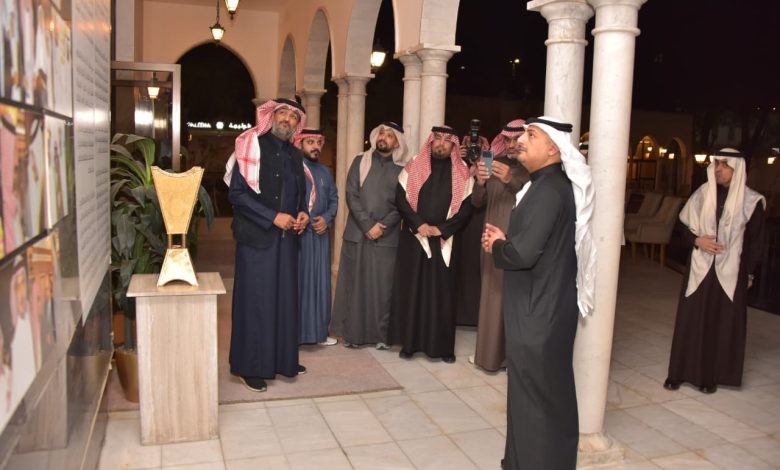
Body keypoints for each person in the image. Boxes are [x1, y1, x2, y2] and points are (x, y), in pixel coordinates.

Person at [482, 116, 595, 470]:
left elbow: (522, 254)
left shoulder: (548, 190)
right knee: (540, 398)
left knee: (536, 402)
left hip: (538, 313)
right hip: (544, 306)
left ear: (553, 149)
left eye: (531, 135)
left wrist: (498, 244)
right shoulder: (547, 184)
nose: (521, 141)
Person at [223, 98, 310, 393]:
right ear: (271, 116)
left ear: (298, 124)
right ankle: (250, 366)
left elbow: (299, 194)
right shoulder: (252, 145)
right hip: (257, 238)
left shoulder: (295, 154)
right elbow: (237, 195)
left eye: (293, 116)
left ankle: (283, 359)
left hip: (287, 240)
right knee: (256, 302)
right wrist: (273, 217)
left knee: (284, 300)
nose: (287, 119)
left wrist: (302, 213)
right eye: (282, 113)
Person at [664, 148, 765, 394]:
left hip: (731, 271)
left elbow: (756, 242)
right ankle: (678, 373)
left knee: (719, 322)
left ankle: (712, 377)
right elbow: (683, 226)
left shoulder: (751, 201)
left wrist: (750, 273)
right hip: (700, 267)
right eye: (716, 164)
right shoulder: (703, 193)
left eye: (724, 165)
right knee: (691, 319)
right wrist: (698, 241)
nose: (718, 169)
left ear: (737, 168)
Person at [389, 126, 474, 363]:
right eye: (437, 138)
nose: (441, 143)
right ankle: (410, 344)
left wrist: (442, 229)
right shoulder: (414, 165)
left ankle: (443, 348)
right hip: (415, 238)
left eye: (447, 140)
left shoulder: (462, 171)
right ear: (431, 141)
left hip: (445, 241)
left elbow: (466, 209)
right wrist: (419, 224)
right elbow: (401, 199)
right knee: (413, 291)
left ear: (453, 145)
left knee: (442, 296)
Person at [332, 122, 409, 349]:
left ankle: (381, 336)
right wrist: (368, 225)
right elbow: (351, 194)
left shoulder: (404, 169)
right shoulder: (360, 161)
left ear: (397, 143)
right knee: (354, 286)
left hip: (387, 236)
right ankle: (353, 335)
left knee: (382, 289)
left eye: (390, 135)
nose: (384, 137)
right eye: (381, 133)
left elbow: (404, 203)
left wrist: (382, 226)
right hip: (358, 232)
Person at [469, 119, 529, 371]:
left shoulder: (531, 168)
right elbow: (477, 202)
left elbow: (533, 197)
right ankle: (490, 357)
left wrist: (511, 179)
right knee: (491, 298)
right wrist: (480, 183)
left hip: (518, 240)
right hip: (491, 238)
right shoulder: (495, 163)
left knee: (515, 300)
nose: (512, 145)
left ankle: (513, 359)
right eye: (508, 140)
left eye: (517, 140)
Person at [294, 128, 339, 346]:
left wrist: (327, 219)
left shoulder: (325, 171)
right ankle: (297, 334)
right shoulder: (293, 169)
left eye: (318, 143)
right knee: (301, 283)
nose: (315, 147)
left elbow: (333, 199)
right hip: (299, 234)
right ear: (300, 144)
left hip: (320, 235)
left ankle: (319, 333)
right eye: (310, 142)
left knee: (320, 285)